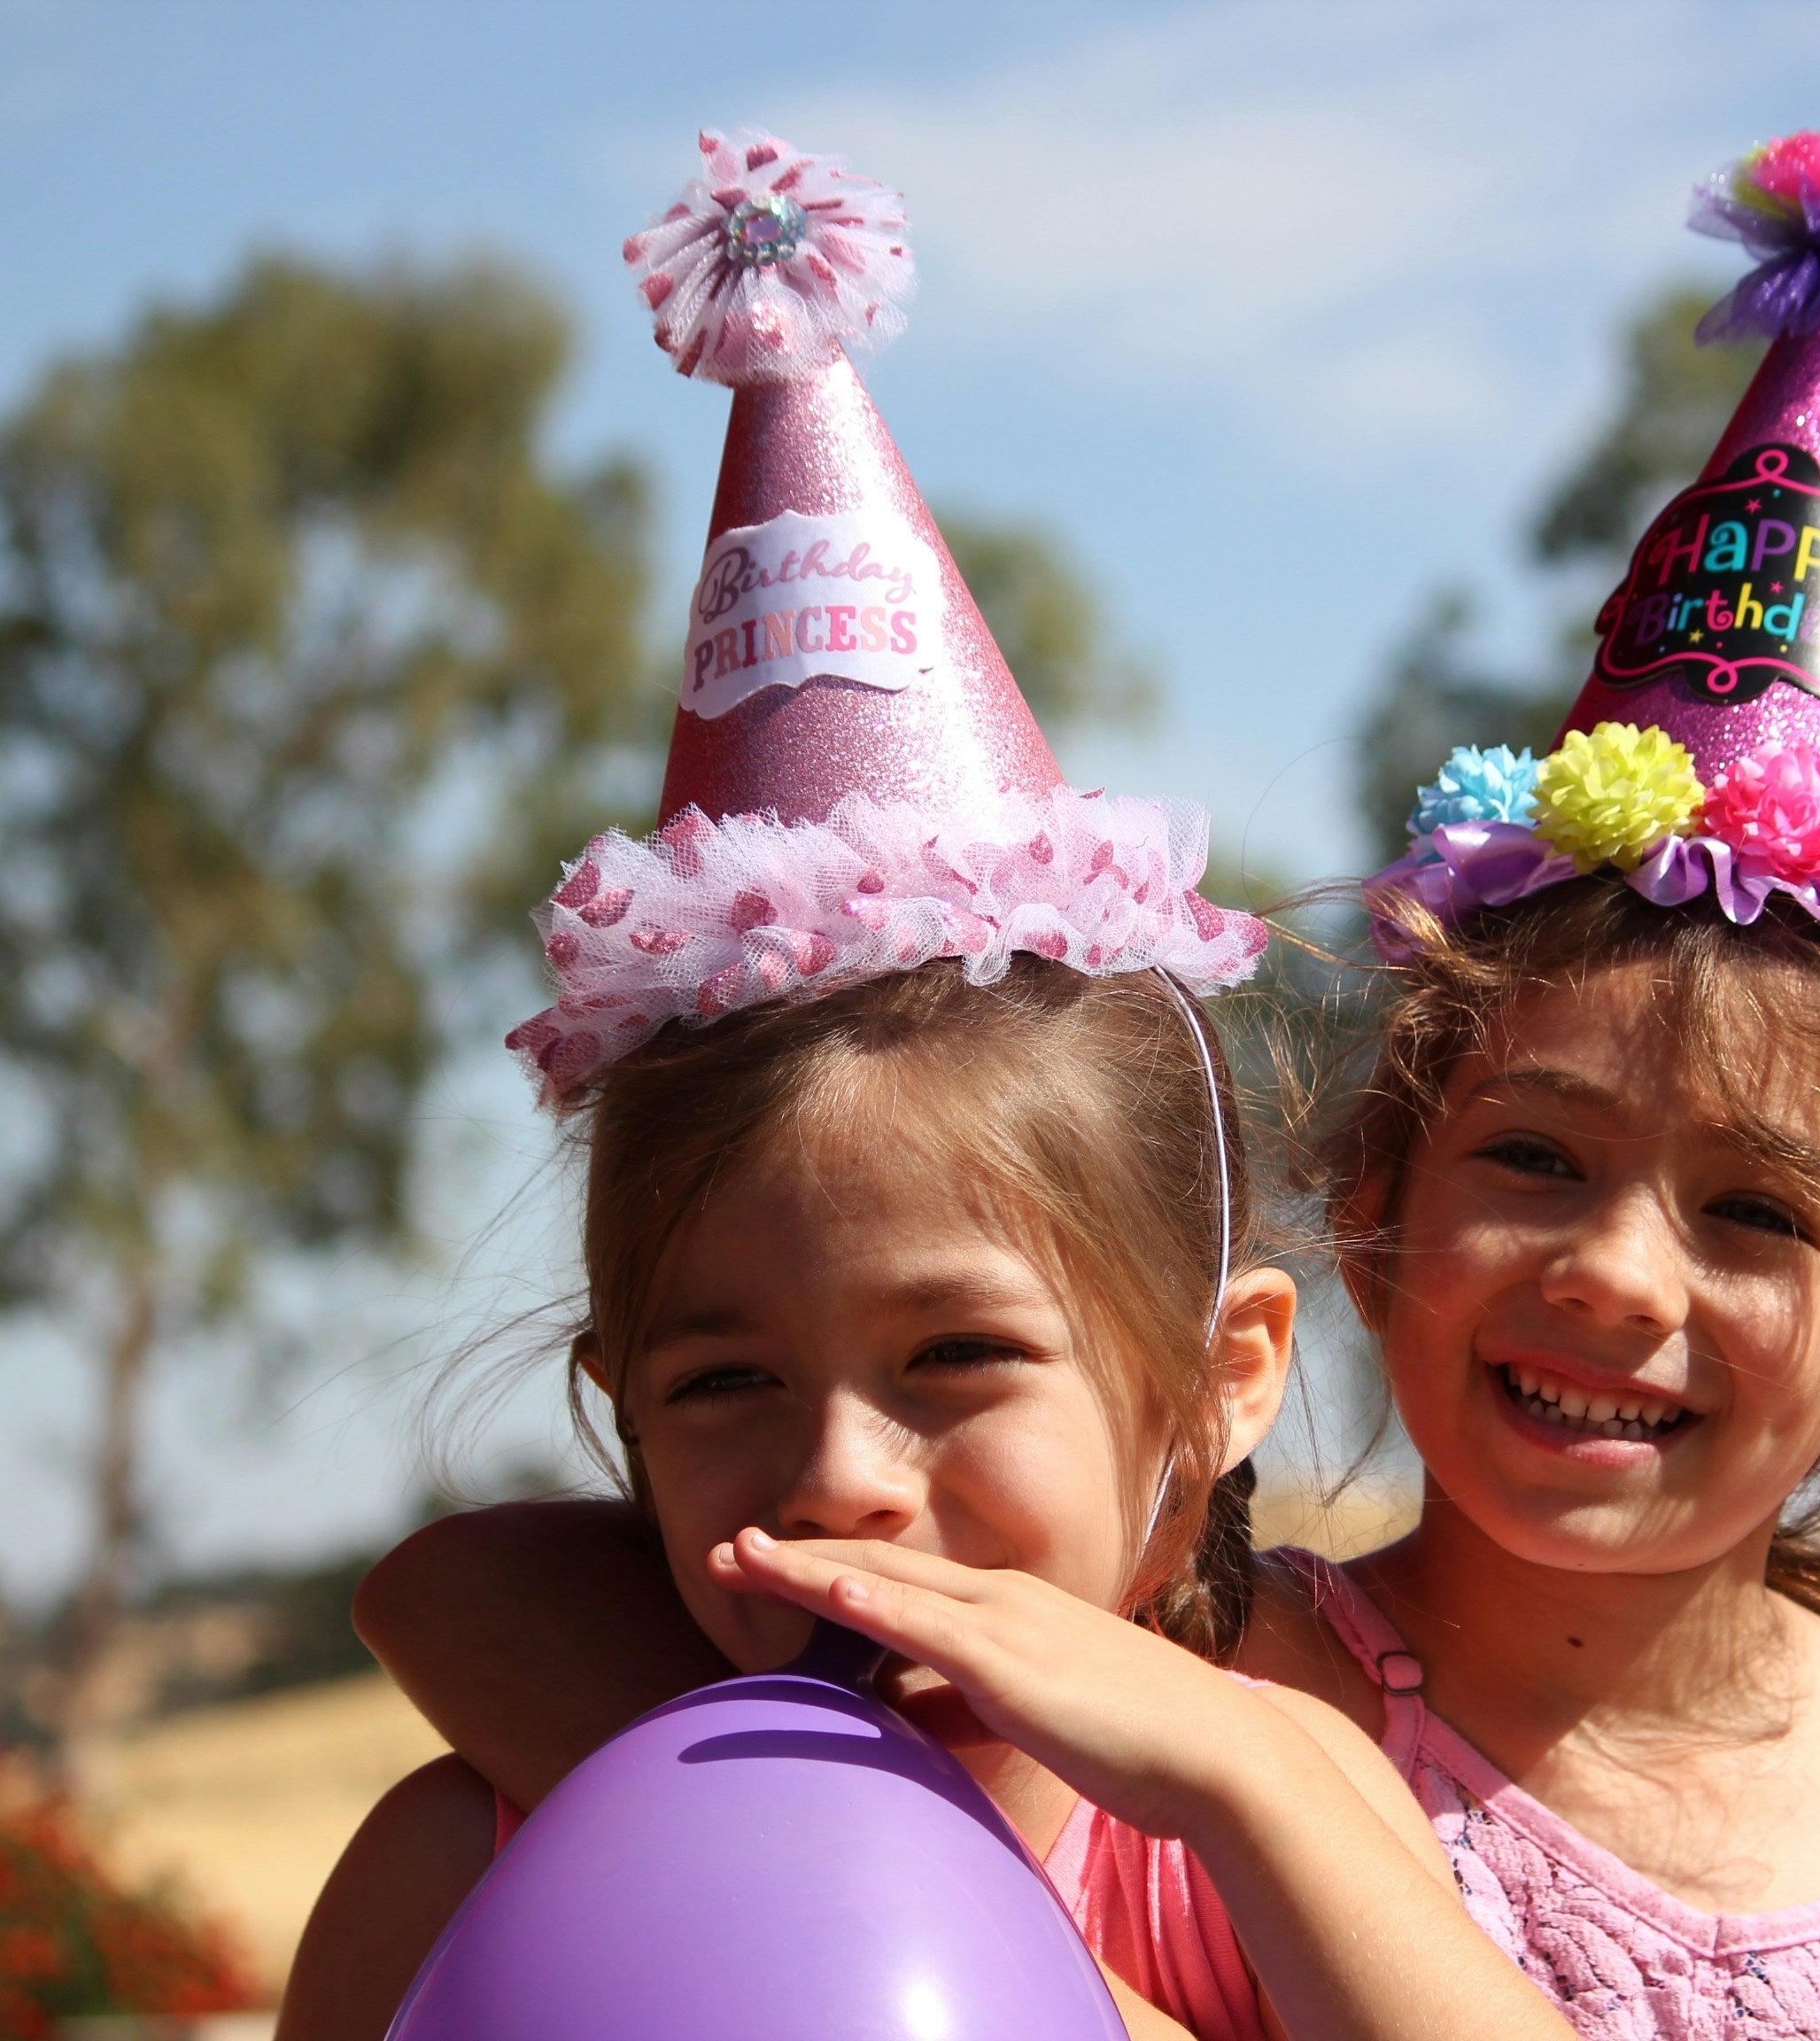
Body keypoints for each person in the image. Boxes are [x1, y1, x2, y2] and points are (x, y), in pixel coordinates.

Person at [350, 129, 1820, 2040]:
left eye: (1757, 1210)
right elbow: (476, 1590)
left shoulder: (1277, 1756)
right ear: (1379, 1207)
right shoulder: (1238, 1690)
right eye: (1532, 1158)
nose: (1617, 1275)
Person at [277, 128, 1579, 2041]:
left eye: (956, 1358)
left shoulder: (1264, 1862)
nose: (834, 1482)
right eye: (720, 1381)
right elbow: (447, 1583)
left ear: (1219, 1381)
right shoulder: (469, 1856)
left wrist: (1246, 1782)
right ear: (616, 1416)